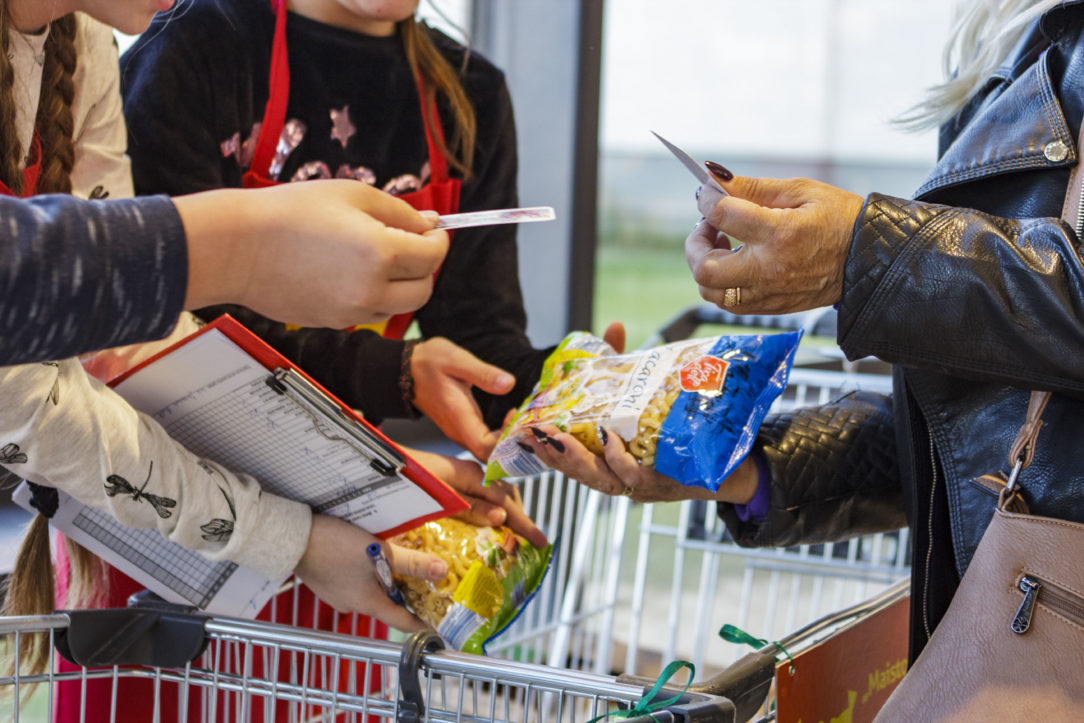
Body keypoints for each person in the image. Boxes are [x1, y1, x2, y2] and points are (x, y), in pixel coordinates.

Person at [0, 4, 542, 718]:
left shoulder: (87, 40)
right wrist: (315, 516)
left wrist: (376, 472)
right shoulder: (201, 44)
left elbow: (129, 335)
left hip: (298, 513)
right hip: (152, 529)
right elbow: (47, 392)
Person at [522, 0, 1084, 664]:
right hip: (1004, 632)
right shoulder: (1010, 36)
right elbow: (967, 432)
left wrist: (864, 252)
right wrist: (739, 467)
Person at [120, 0, 568, 462]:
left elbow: (480, 344)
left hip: (337, 465)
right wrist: (391, 373)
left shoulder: (472, 93)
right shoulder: (198, 43)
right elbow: (181, 322)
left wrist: (578, 390)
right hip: (160, 462)